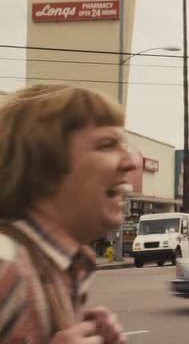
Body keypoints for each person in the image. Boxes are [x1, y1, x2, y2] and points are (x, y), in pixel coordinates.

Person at [0, 84, 135, 343]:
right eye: (107, 145)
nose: (130, 162)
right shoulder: (6, 264)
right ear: (44, 169)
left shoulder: (65, 265)